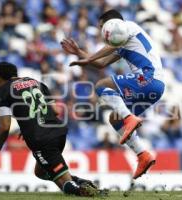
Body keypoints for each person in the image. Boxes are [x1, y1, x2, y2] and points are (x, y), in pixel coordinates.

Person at [61, 9, 165, 179]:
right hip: (155, 87)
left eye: (102, 27)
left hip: (149, 77)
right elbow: (101, 63)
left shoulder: (129, 26)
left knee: (102, 85)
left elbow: (101, 54)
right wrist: (79, 52)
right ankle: (143, 155)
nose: (103, 32)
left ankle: (130, 118)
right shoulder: (123, 44)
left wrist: (88, 59)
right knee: (115, 119)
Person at [0, 62, 99, 197]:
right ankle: (79, 182)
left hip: (40, 138)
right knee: (40, 172)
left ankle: (81, 189)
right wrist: (30, 122)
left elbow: (5, 126)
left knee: (66, 185)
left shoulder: (3, 91)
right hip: (59, 132)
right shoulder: (36, 83)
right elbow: (56, 111)